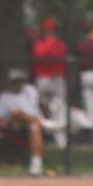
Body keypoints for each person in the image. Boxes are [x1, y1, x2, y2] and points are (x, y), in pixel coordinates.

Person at [0, 69, 46, 175]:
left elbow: (36, 109)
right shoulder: (3, 97)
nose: (18, 84)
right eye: (15, 82)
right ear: (10, 82)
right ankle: (44, 122)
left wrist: (25, 117)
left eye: (20, 81)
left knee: (34, 127)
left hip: (30, 123)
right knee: (16, 113)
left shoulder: (31, 91)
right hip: (12, 124)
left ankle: (36, 164)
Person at [30, 18, 67, 149]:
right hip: (43, 77)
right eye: (46, 29)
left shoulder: (57, 43)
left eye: (49, 29)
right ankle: (43, 136)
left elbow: (58, 56)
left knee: (58, 108)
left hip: (55, 78)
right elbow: (39, 56)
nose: (47, 31)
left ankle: (60, 139)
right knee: (41, 107)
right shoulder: (39, 44)